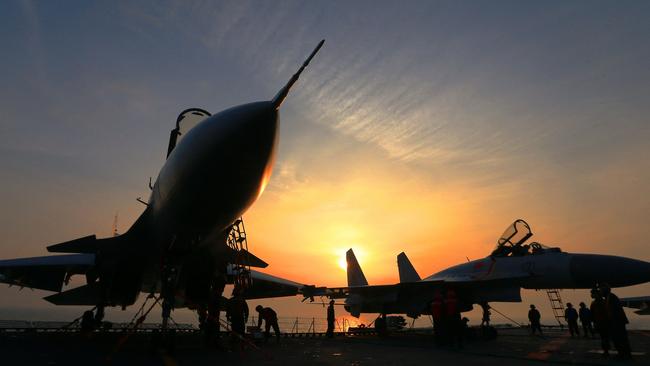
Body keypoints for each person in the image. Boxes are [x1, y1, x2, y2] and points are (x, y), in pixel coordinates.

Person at [601, 284, 631, 359]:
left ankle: (624, 354)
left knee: (620, 339)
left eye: (602, 290)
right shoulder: (609, 298)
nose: (601, 292)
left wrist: (612, 321)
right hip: (616, 322)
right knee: (618, 339)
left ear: (605, 290)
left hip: (617, 322)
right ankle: (623, 353)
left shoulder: (611, 297)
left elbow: (614, 311)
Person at [590, 288, 610, 357]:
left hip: (603, 323)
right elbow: (592, 314)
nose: (591, 295)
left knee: (604, 337)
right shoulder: (601, 302)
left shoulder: (600, 302)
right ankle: (606, 351)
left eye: (593, 293)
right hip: (601, 323)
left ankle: (606, 351)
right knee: (604, 337)